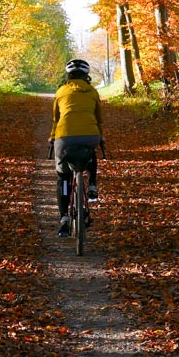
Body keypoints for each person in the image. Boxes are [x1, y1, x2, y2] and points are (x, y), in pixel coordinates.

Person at [50, 59, 104, 237]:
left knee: (63, 178)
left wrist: (52, 137)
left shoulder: (61, 91)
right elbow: (99, 118)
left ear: (68, 75)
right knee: (91, 150)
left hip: (64, 137)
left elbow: (56, 119)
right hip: (90, 135)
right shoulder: (93, 91)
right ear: (86, 75)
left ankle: (64, 217)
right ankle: (93, 185)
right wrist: (100, 136)